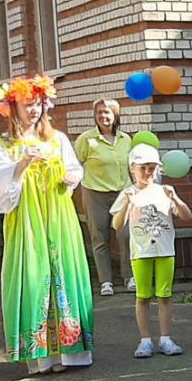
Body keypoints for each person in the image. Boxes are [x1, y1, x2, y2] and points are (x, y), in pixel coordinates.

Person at [0, 74, 94, 374]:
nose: (33, 110)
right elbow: (0, 191)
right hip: (27, 223)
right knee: (33, 280)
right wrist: (22, 165)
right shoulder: (3, 146)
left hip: (59, 219)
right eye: (27, 105)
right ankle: (42, 356)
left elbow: (75, 172)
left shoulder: (56, 139)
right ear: (13, 108)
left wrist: (67, 176)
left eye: (38, 104)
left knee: (65, 276)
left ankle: (71, 353)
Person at [111, 144, 192, 358]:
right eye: (144, 168)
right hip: (141, 252)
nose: (148, 173)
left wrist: (175, 198)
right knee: (143, 296)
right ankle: (145, 339)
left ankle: (165, 338)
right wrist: (126, 204)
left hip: (165, 250)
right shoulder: (128, 193)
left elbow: (186, 216)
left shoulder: (164, 192)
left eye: (152, 168)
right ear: (133, 169)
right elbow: (116, 224)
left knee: (165, 295)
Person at [74, 98, 133, 295]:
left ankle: (129, 276)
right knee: (100, 238)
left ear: (115, 115)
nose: (103, 116)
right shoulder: (87, 139)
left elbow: (132, 167)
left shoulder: (126, 139)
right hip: (95, 193)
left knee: (125, 235)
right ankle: (105, 281)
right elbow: (76, 164)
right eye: (99, 113)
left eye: (107, 112)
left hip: (122, 194)